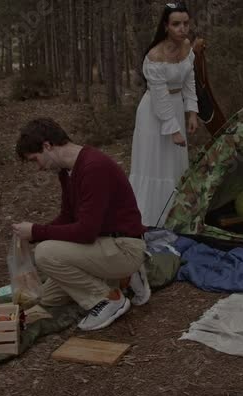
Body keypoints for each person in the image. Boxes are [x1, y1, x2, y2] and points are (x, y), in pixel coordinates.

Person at [12, 118, 152, 331]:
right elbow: (68, 217)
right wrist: (31, 234)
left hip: (124, 247)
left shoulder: (94, 167)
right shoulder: (67, 171)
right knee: (47, 297)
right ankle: (123, 278)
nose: (38, 167)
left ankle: (109, 300)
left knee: (45, 254)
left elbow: (86, 232)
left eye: (35, 159)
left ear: (47, 146)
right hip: (104, 243)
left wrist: (37, 232)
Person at [128, 2, 200, 230]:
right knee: (155, 163)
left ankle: (174, 214)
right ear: (166, 26)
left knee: (174, 164)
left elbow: (189, 80)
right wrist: (174, 129)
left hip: (177, 105)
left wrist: (192, 112)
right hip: (154, 114)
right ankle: (149, 218)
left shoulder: (187, 46)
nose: (182, 29)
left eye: (185, 23)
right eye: (176, 24)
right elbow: (159, 97)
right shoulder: (155, 55)